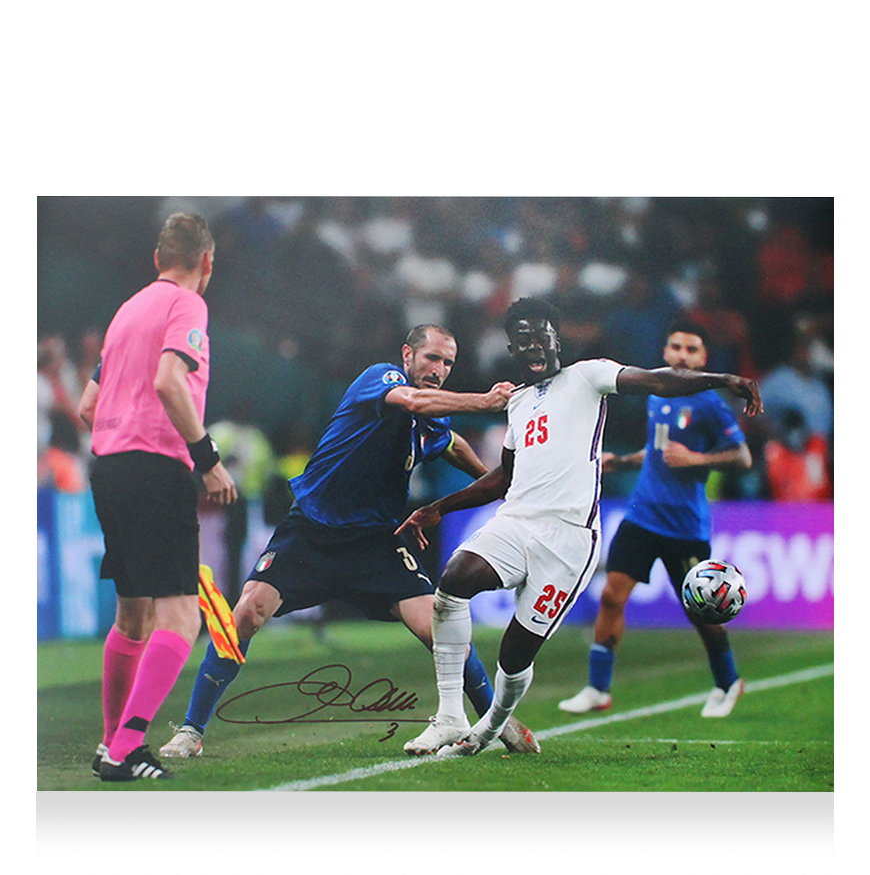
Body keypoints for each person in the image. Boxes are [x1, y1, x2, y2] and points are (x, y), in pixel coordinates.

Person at [397, 298, 762, 757]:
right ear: (512, 349)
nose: (533, 345)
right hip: (516, 522)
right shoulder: (518, 402)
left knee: (514, 655)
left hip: (568, 541)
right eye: (523, 339)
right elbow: (505, 476)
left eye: (541, 335)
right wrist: (440, 507)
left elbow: (657, 380)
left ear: (557, 339)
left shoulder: (588, 376)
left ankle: (490, 729)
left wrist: (723, 379)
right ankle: (451, 716)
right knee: (454, 580)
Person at [159, 324, 541, 760]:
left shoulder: (434, 418)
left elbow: (450, 444)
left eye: (448, 363)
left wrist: (502, 487)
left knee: (441, 631)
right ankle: (190, 730)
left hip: (376, 543)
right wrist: (485, 401)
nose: (439, 369)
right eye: (432, 358)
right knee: (245, 613)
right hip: (311, 532)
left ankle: (497, 719)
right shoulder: (382, 379)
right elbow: (414, 402)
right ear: (408, 355)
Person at [78, 213, 238, 781]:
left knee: (133, 617)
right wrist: (208, 460)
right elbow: (170, 380)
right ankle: (126, 746)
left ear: (157, 259)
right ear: (207, 263)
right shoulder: (187, 305)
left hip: (109, 468)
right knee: (183, 617)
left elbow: (88, 406)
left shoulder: (127, 311)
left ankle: (110, 744)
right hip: (155, 467)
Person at [558, 318, 754, 720]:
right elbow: (658, 451)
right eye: (676, 347)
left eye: (691, 349)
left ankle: (727, 681)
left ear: (703, 358)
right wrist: (622, 461)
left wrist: (697, 458)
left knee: (700, 611)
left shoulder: (710, 404)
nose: (682, 355)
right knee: (612, 596)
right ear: (665, 351)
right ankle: (597, 688)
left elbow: (743, 457)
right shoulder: (657, 394)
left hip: (683, 525)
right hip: (642, 514)